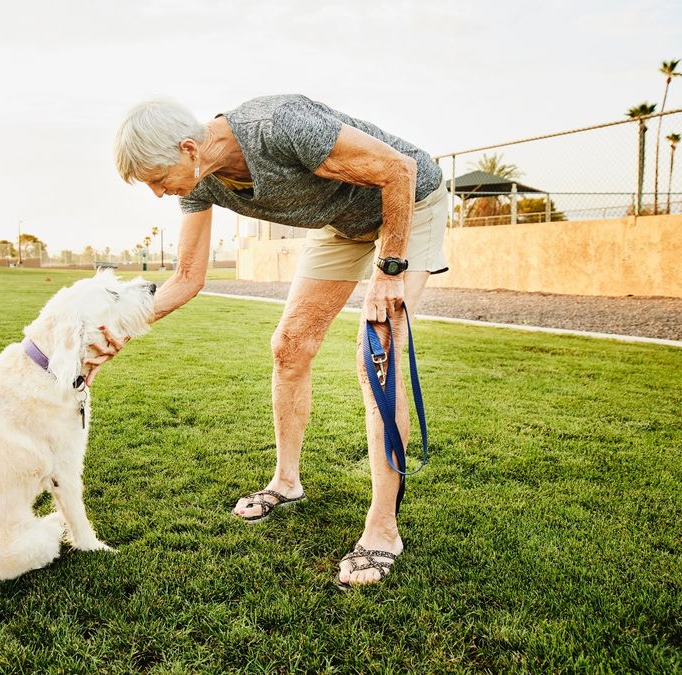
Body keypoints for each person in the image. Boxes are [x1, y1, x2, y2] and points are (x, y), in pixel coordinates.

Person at [108, 95, 449, 587]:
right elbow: (186, 278)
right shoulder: (201, 185)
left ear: (188, 149)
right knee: (289, 345)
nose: (160, 194)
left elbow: (398, 169)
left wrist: (390, 270)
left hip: (410, 202)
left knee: (377, 350)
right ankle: (286, 483)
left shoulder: (279, 127)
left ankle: (383, 529)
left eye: (158, 180)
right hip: (345, 223)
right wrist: (115, 330)